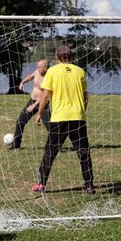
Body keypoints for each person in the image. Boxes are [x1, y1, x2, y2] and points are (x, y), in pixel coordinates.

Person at [32, 45, 95, 194]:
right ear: (71, 57)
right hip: (78, 117)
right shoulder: (80, 71)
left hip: (59, 118)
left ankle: (41, 184)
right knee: (83, 152)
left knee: (50, 151)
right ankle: (89, 185)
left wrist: (39, 113)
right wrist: (81, 111)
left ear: (57, 57)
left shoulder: (52, 71)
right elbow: (86, 97)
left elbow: (45, 95)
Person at [11, 59, 50, 149]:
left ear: (45, 68)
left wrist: (33, 106)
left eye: (40, 67)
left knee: (50, 127)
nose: (38, 68)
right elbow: (30, 77)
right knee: (20, 122)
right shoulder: (37, 71)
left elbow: (44, 96)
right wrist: (22, 82)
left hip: (42, 104)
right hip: (32, 101)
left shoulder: (48, 78)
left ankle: (52, 145)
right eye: (37, 67)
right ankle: (16, 145)